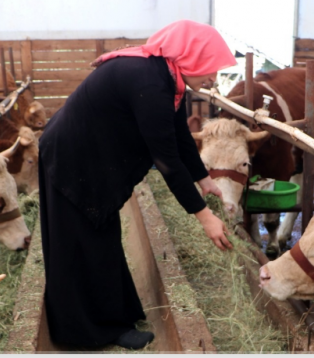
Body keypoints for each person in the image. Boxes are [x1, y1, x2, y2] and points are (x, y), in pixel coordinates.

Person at [38, 20, 237, 350]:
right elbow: (167, 160)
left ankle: (117, 317)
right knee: (77, 245)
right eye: (211, 68)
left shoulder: (166, 77)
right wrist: (205, 217)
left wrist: (204, 180)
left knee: (101, 237)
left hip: (90, 159)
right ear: (192, 57)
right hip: (72, 160)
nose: (213, 78)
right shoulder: (149, 80)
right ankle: (86, 333)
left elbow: (180, 137)